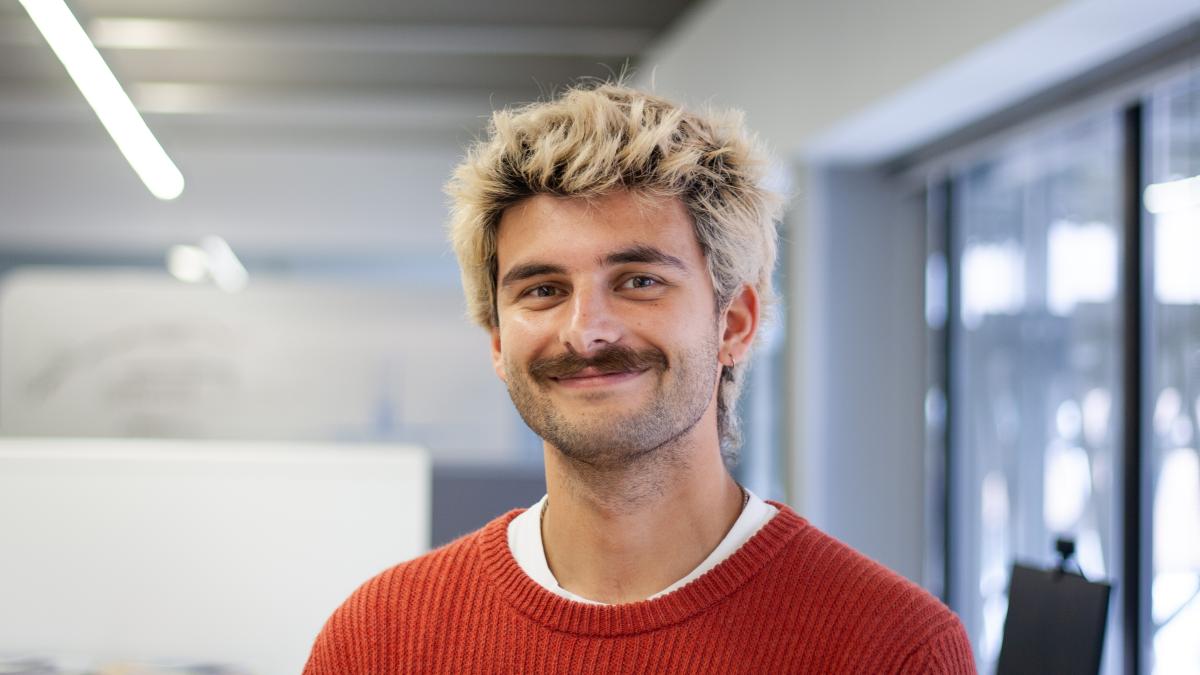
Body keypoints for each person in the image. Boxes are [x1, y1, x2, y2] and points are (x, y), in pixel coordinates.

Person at [304, 83, 976, 674]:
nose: (586, 330)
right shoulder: (379, 641)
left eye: (639, 280)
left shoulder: (893, 649)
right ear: (499, 341)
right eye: (542, 289)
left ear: (735, 322)